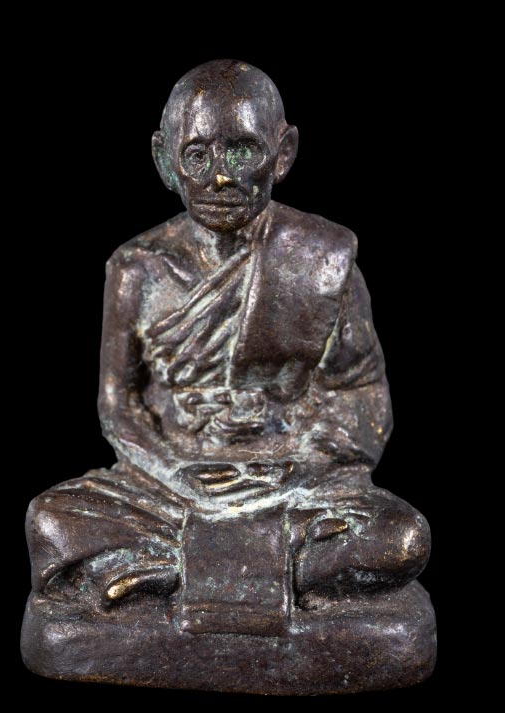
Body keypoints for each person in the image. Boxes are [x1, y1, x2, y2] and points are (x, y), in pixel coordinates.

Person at [26, 60, 430, 618]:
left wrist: (296, 462)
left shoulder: (321, 259)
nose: (220, 178)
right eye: (197, 156)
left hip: (289, 480)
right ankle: (250, 571)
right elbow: (118, 404)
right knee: (50, 520)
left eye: (242, 153)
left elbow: (362, 391)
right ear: (164, 160)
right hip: (171, 484)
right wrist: (178, 472)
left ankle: (177, 571)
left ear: (282, 154)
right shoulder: (136, 268)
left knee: (402, 537)